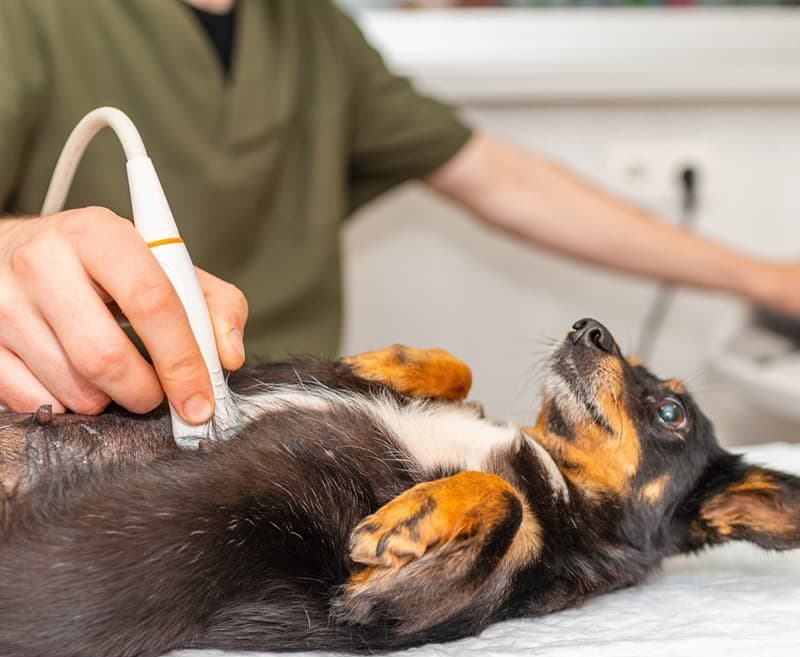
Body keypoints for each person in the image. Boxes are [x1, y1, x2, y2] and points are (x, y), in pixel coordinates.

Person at [1, 0, 797, 425]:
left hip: (292, 435)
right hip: (78, 434)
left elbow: (502, 180)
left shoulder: (316, 32)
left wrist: (764, 279)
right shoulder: (32, 22)